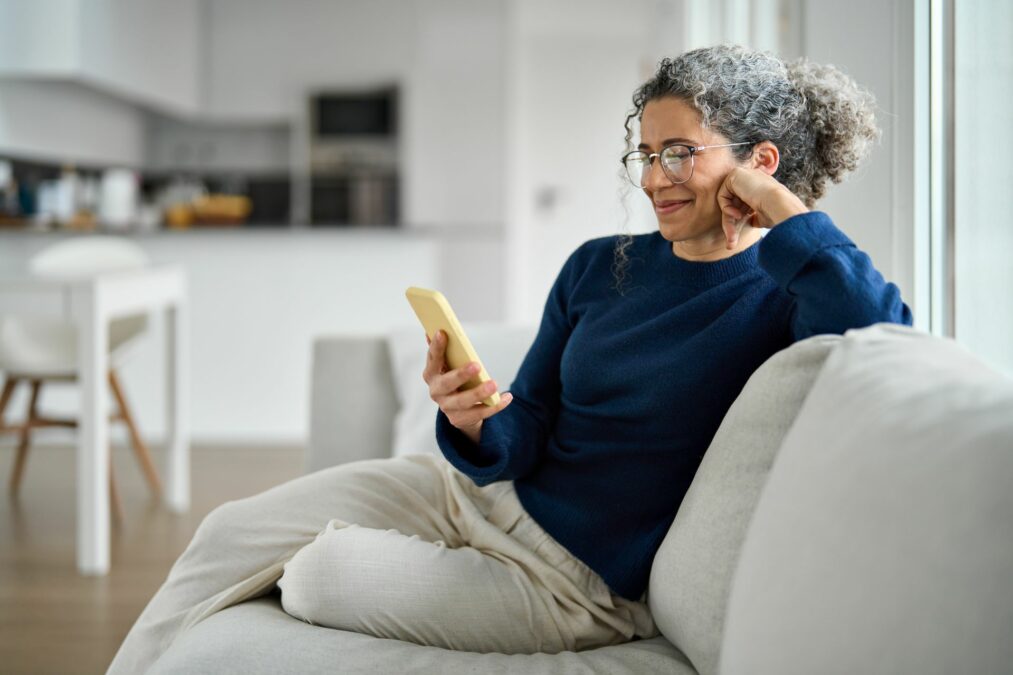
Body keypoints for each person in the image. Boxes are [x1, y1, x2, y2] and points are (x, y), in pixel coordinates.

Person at [107, 44, 912, 674]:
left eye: (679, 153)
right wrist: (471, 416)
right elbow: (521, 429)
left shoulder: (787, 290)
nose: (654, 181)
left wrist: (783, 214)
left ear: (757, 162)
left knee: (319, 577)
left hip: (570, 583)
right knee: (230, 527)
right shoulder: (601, 264)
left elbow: (885, 334)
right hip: (468, 498)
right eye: (644, 155)